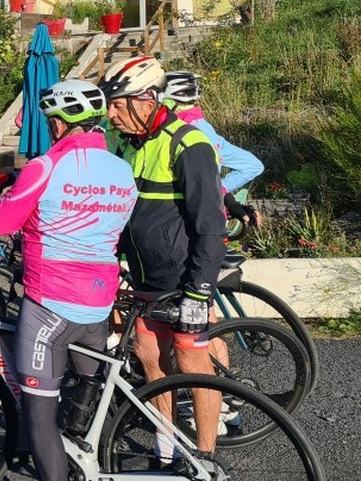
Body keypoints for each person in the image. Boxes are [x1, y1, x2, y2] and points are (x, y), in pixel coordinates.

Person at [0, 80, 136, 481]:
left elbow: (0, 224)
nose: (50, 127)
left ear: (61, 124)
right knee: (87, 387)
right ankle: (87, 451)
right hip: (99, 302)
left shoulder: (44, 166)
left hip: (50, 302)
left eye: (52, 121)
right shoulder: (123, 170)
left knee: (39, 416)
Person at [100, 56, 226, 468]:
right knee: (151, 360)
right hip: (141, 276)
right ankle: (166, 448)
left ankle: (205, 455)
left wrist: (199, 290)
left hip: (181, 278)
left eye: (118, 104)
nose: (111, 113)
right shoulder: (123, 141)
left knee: (193, 366)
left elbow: (210, 226)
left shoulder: (188, 144)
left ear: (148, 99)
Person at [165, 71, 263, 227]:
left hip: (185, 216)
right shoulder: (204, 127)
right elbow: (253, 165)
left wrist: (219, 190)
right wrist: (222, 188)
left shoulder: (177, 132)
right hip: (212, 214)